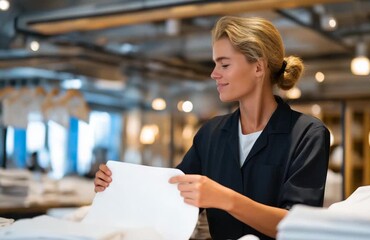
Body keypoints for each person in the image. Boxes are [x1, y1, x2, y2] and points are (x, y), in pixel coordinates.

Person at [94, 16, 330, 240]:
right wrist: (117, 186)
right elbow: (170, 197)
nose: (214, 74)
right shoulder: (211, 134)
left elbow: (300, 226)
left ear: (258, 67)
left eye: (224, 64)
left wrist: (226, 199)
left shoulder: (308, 135)